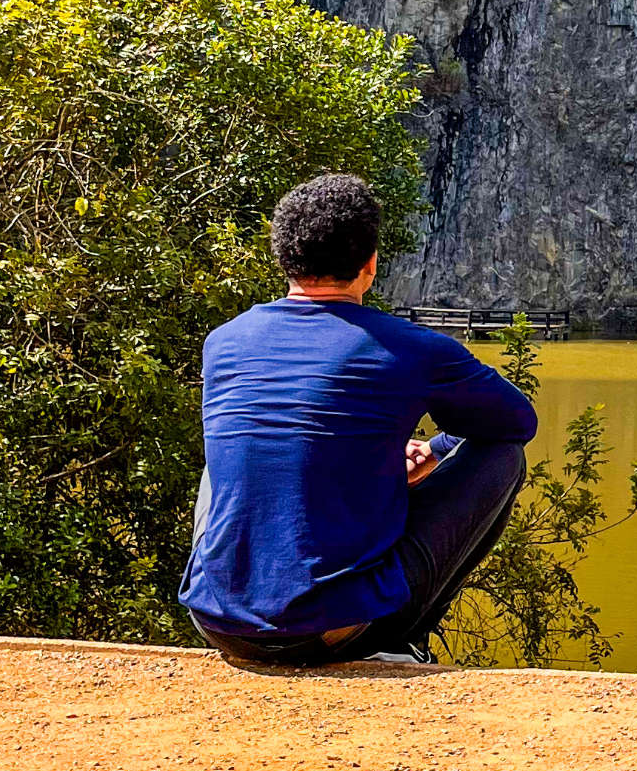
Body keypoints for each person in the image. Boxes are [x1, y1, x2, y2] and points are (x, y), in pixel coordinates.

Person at [180, 173, 537, 665]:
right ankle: (404, 638)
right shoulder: (408, 348)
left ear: (283, 258)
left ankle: (241, 599)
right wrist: (434, 450)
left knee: (234, 454)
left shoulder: (224, 342)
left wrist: (381, 460)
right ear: (370, 265)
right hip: (327, 633)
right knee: (503, 458)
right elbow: (516, 422)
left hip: (218, 624)